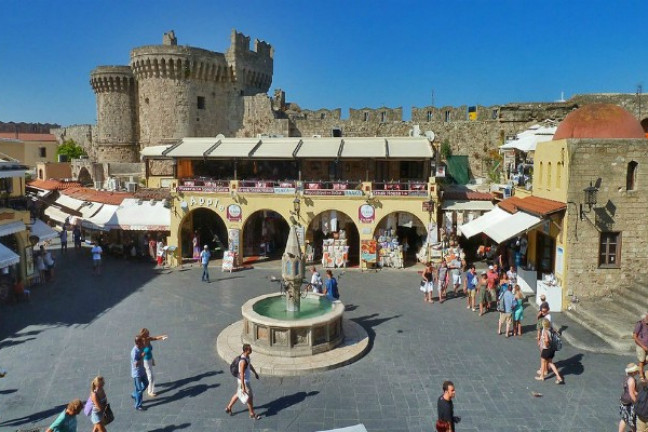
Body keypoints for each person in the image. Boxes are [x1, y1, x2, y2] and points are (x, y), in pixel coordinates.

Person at [225, 343, 261, 420]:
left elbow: (249, 365)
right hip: (244, 381)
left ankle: (228, 407)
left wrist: (255, 373)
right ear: (246, 350)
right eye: (250, 349)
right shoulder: (243, 361)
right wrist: (244, 387)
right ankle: (252, 414)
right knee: (249, 397)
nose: (251, 350)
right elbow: (241, 374)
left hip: (242, 381)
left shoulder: (247, 357)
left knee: (238, 394)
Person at [138, 328, 168, 397]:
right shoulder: (141, 342)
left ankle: (146, 384)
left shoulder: (148, 339)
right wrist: (142, 355)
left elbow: (155, 338)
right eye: (147, 334)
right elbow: (140, 353)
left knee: (149, 374)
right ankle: (150, 391)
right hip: (145, 361)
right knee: (151, 376)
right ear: (144, 335)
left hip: (150, 358)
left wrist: (162, 336)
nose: (149, 335)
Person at [535, 319, 564, 384]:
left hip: (546, 349)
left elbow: (547, 340)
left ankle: (542, 376)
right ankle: (558, 377)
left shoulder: (544, 331)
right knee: (550, 363)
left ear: (543, 324)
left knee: (543, 362)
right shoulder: (551, 329)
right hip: (552, 349)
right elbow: (556, 334)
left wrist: (546, 344)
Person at [620, 363, 640, 432]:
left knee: (624, 419)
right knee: (632, 420)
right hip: (629, 403)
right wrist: (636, 402)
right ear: (633, 372)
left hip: (623, 400)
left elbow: (627, 389)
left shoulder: (626, 378)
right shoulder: (632, 380)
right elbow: (631, 393)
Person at [131, 336, 149, 411]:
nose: (142, 343)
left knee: (146, 383)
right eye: (141, 342)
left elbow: (146, 346)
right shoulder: (134, 352)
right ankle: (138, 405)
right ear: (137, 343)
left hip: (142, 371)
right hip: (137, 374)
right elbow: (136, 364)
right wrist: (142, 356)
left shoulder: (141, 346)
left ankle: (135, 394)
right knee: (139, 390)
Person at [634, 313, 648, 382]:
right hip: (641, 345)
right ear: (644, 318)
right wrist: (643, 346)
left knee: (645, 360)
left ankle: (638, 367)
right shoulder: (640, 324)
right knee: (641, 360)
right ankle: (641, 375)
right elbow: (634, 336)